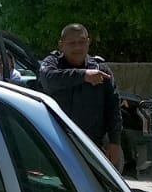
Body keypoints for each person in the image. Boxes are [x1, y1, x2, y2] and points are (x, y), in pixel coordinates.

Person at [39, 23, 123, 170]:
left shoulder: (100, 69)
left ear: (88, 42)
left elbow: (113, 108)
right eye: (72, 43)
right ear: (61, 45)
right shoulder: (52, 64)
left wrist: (115, 142)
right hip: (55, 143)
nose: (78, 47)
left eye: (82, 42)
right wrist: (83, 75)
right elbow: (48, 79)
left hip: (90, 145)